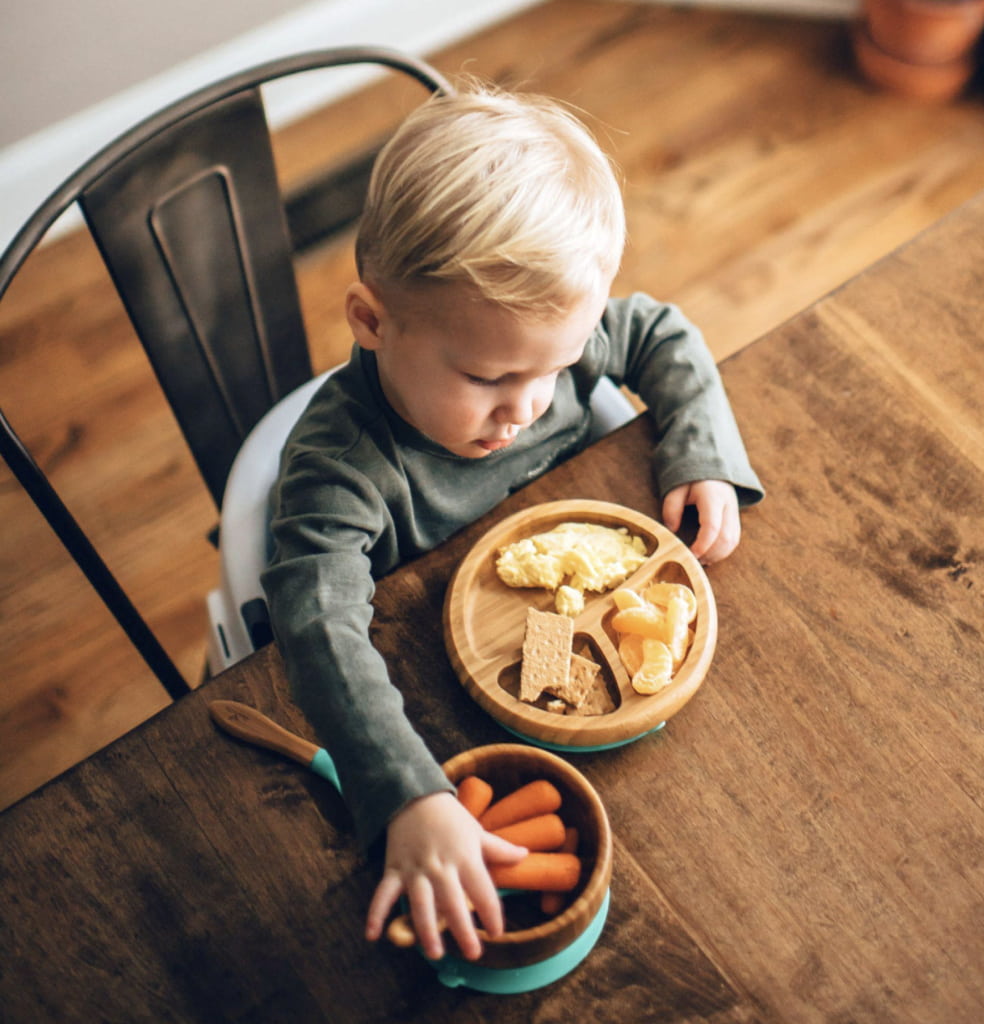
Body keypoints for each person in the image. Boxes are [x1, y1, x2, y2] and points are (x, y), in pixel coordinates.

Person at [261, 79, 764, 964]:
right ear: (374, 322)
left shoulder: (540, 353)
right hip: (439, 701)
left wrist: (701, 453)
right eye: (490, 380)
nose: (529, 407)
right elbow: (317, 624)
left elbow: (662, 334)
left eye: (558, 366)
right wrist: (408, 797)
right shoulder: (338, 471)